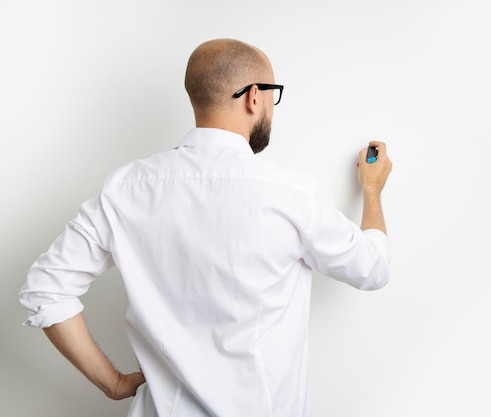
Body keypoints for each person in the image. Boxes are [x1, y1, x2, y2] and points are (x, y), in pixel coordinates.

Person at [19, 38, 392, 417]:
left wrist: (112, 383)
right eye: (272, 95)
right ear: (253, 98)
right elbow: (373, 268)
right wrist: (372, 191)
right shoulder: (292, 194)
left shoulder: (126, 189)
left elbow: (46, 289)